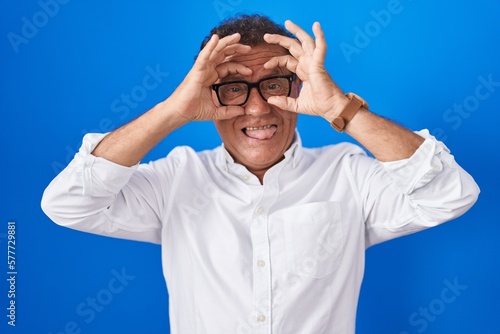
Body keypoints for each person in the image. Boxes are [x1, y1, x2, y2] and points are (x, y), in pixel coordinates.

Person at [41, 14, 479, 334]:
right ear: (207, 95)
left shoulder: (348, 176)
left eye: (273, 83)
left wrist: (337, 107)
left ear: (297, 87)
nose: (257, 108)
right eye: (234, 87)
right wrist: (173, 111)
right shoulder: (174, 181)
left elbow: (451, 194)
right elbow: (67, 203)